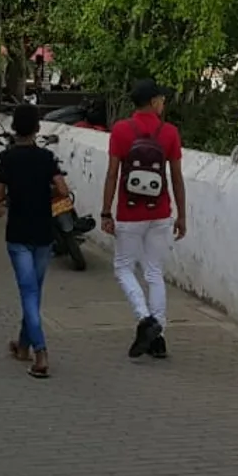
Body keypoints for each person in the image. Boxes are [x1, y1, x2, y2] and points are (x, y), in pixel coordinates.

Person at [101, 78, 186, 360]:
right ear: (153, 102)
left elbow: (112, 174)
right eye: (161, 99)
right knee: (154, 272)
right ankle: (158, 337)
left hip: (129, 212)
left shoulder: (121, 130)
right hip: (160, 211)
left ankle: (145, 319)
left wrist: (106, 211)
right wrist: (182, 215)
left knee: (123, 268)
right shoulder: (170, 132)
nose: (164, 103)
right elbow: (176, 178)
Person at [0, 102, 68, 380]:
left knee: (28, 293)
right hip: (43, 233)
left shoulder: (8, 158)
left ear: (14, 128)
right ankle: (23, 345)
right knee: (33, 291)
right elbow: (63, 190)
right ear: (37, 128)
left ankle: (41, 352)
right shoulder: (47, 157)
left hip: (18, 233)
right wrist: (47, 198)